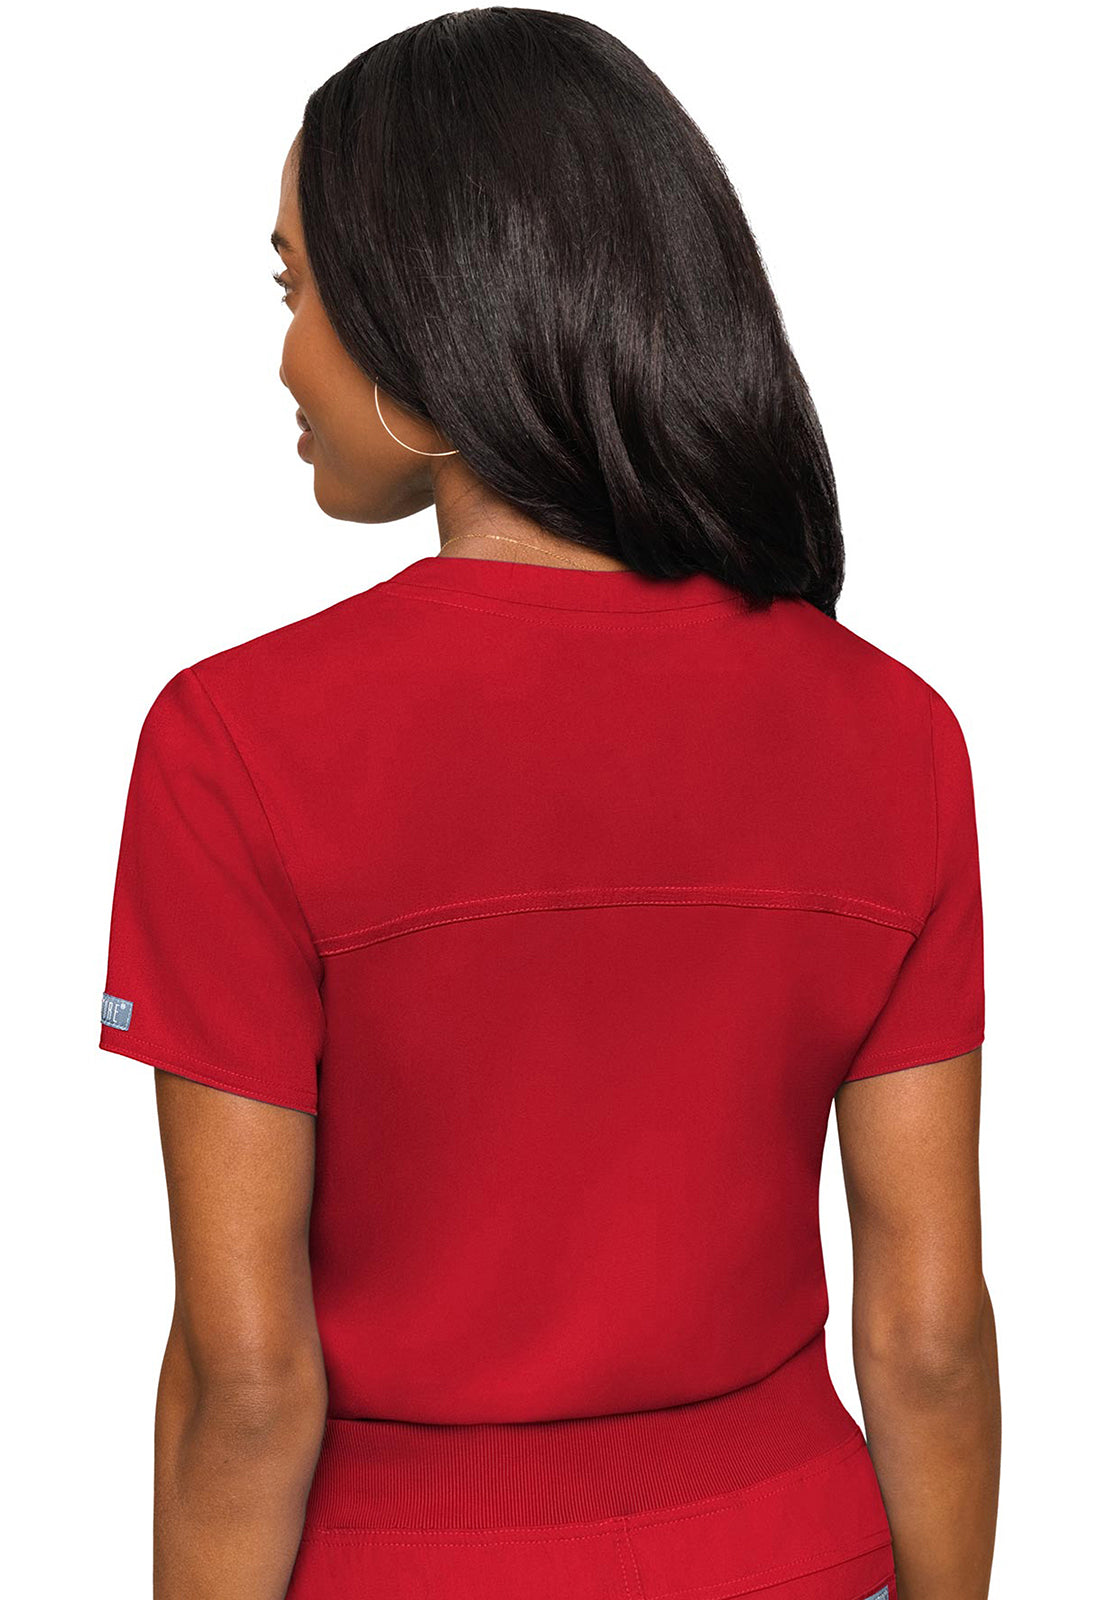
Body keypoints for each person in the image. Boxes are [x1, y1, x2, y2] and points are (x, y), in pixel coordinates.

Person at [98, 10, 1000, 1599]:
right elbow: (927, 1337)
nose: (285, 356)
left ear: (430, 312)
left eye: (297, 291)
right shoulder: (898, 735)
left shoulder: (234, 743)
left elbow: (247, 1387)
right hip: (793, 1549)